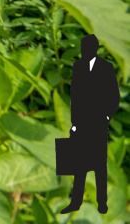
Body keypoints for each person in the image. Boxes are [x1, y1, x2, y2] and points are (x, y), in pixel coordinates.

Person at [64, 33, 120, 214]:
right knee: (79, 163)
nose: (84, 51)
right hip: (81, 122)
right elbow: (75, 96)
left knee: (99, 165)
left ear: (94, 49)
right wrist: (74, 122)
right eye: (83, 47)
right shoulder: (78, 67)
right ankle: (75, 201)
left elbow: (113, 95)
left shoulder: (106, 68)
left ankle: (102, 203)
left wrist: (106, 117)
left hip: (98, 122)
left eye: (87, 48)